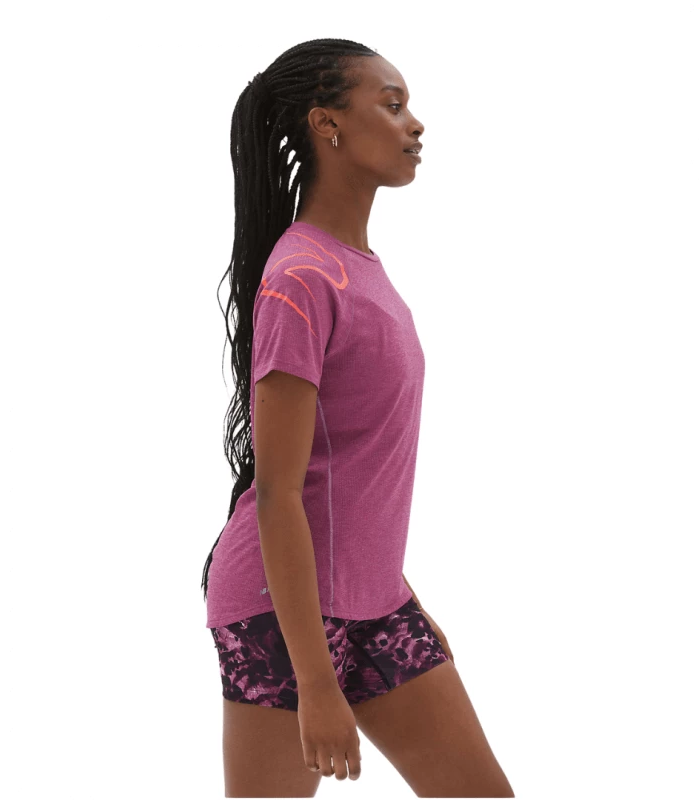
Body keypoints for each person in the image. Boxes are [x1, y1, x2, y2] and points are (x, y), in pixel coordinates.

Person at [201, 38, 514, 798]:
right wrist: (315, 683)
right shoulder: (301, 278)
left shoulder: (357, 270)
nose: (415, 125)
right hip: (282, 614)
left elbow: (350, 469)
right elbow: (279, 493)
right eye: (393, 104)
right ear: (327, 124)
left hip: (375, 603)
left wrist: (405, 599)